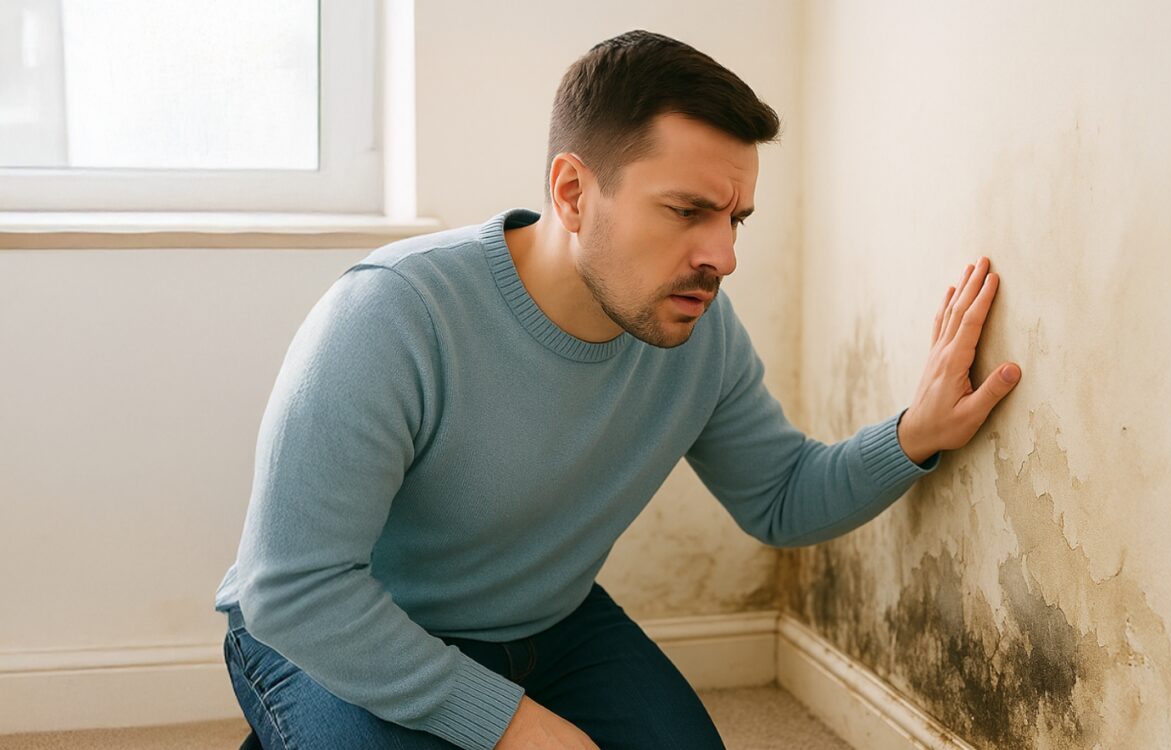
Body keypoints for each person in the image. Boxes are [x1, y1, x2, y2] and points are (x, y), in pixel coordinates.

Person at [214, 29, 1021, 750]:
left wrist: (916, 433)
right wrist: (512, 723)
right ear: (572, 192)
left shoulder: (697, 328)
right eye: (686, 211)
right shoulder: (394, 312)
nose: (722, 255)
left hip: (546, 624)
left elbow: (780, 496)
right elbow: (293, 588)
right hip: (334, 635)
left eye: (735, 218)